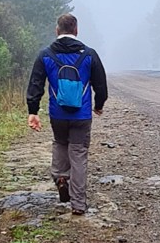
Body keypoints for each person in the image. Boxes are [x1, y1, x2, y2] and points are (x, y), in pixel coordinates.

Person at [26, 13, 108, 215]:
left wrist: (33, 111)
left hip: (58, 114)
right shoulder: (89, 54)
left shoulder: (45, 55)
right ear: (76, 30)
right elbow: (101, 85)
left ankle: (61, 178)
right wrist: (98, 105)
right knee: (78, 154)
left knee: (60, 143)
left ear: (57, 30)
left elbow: (36, 84)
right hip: (81, 116)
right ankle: (78, 204)